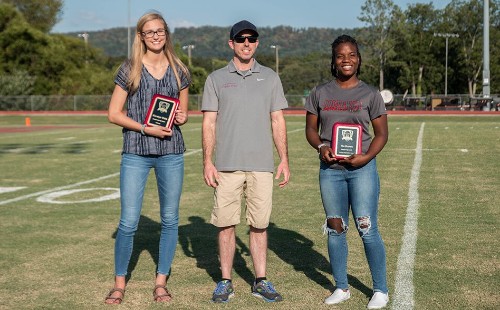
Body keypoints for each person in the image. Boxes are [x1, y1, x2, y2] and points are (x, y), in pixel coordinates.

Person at [104, 11, 190, 304]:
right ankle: (119, 284)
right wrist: (144, 127)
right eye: (150, 32)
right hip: (136, 153)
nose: (156, 36)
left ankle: (161, 282)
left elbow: (184, 113)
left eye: (160, 31)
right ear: (140, 36)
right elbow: (113, 114)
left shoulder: (179, 69)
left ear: (167, 33)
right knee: (128, 222)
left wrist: (182, 116)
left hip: (171, 153)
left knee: (169, 219)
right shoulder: (130, 68)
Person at [201, 20, 290, 303]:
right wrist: (207, 161)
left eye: (251, 38)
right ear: (231, 43)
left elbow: (277, 120)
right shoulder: (215, 78)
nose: (246, 43)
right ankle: (225, 281)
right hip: (226, 165)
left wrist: (284, 159)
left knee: (259, 225)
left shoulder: (270, 77)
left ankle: (260, 280)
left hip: (261, 165)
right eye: (241, 39)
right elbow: (209, 123)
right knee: (226, 225)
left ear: (257, 43)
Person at [305, 34, 389, 309]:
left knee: (366, 226)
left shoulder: (370, 94)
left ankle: (380, 289)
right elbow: (310, 130)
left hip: (362, 169)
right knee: (335, 227)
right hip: (331, 171)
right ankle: (341, 287)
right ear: (333, 60)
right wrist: (321, 147)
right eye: (341, 55)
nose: (346, 60)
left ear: (359, 58)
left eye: (351, 54)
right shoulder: (320, 92)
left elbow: (381, 135)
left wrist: (366, 156)